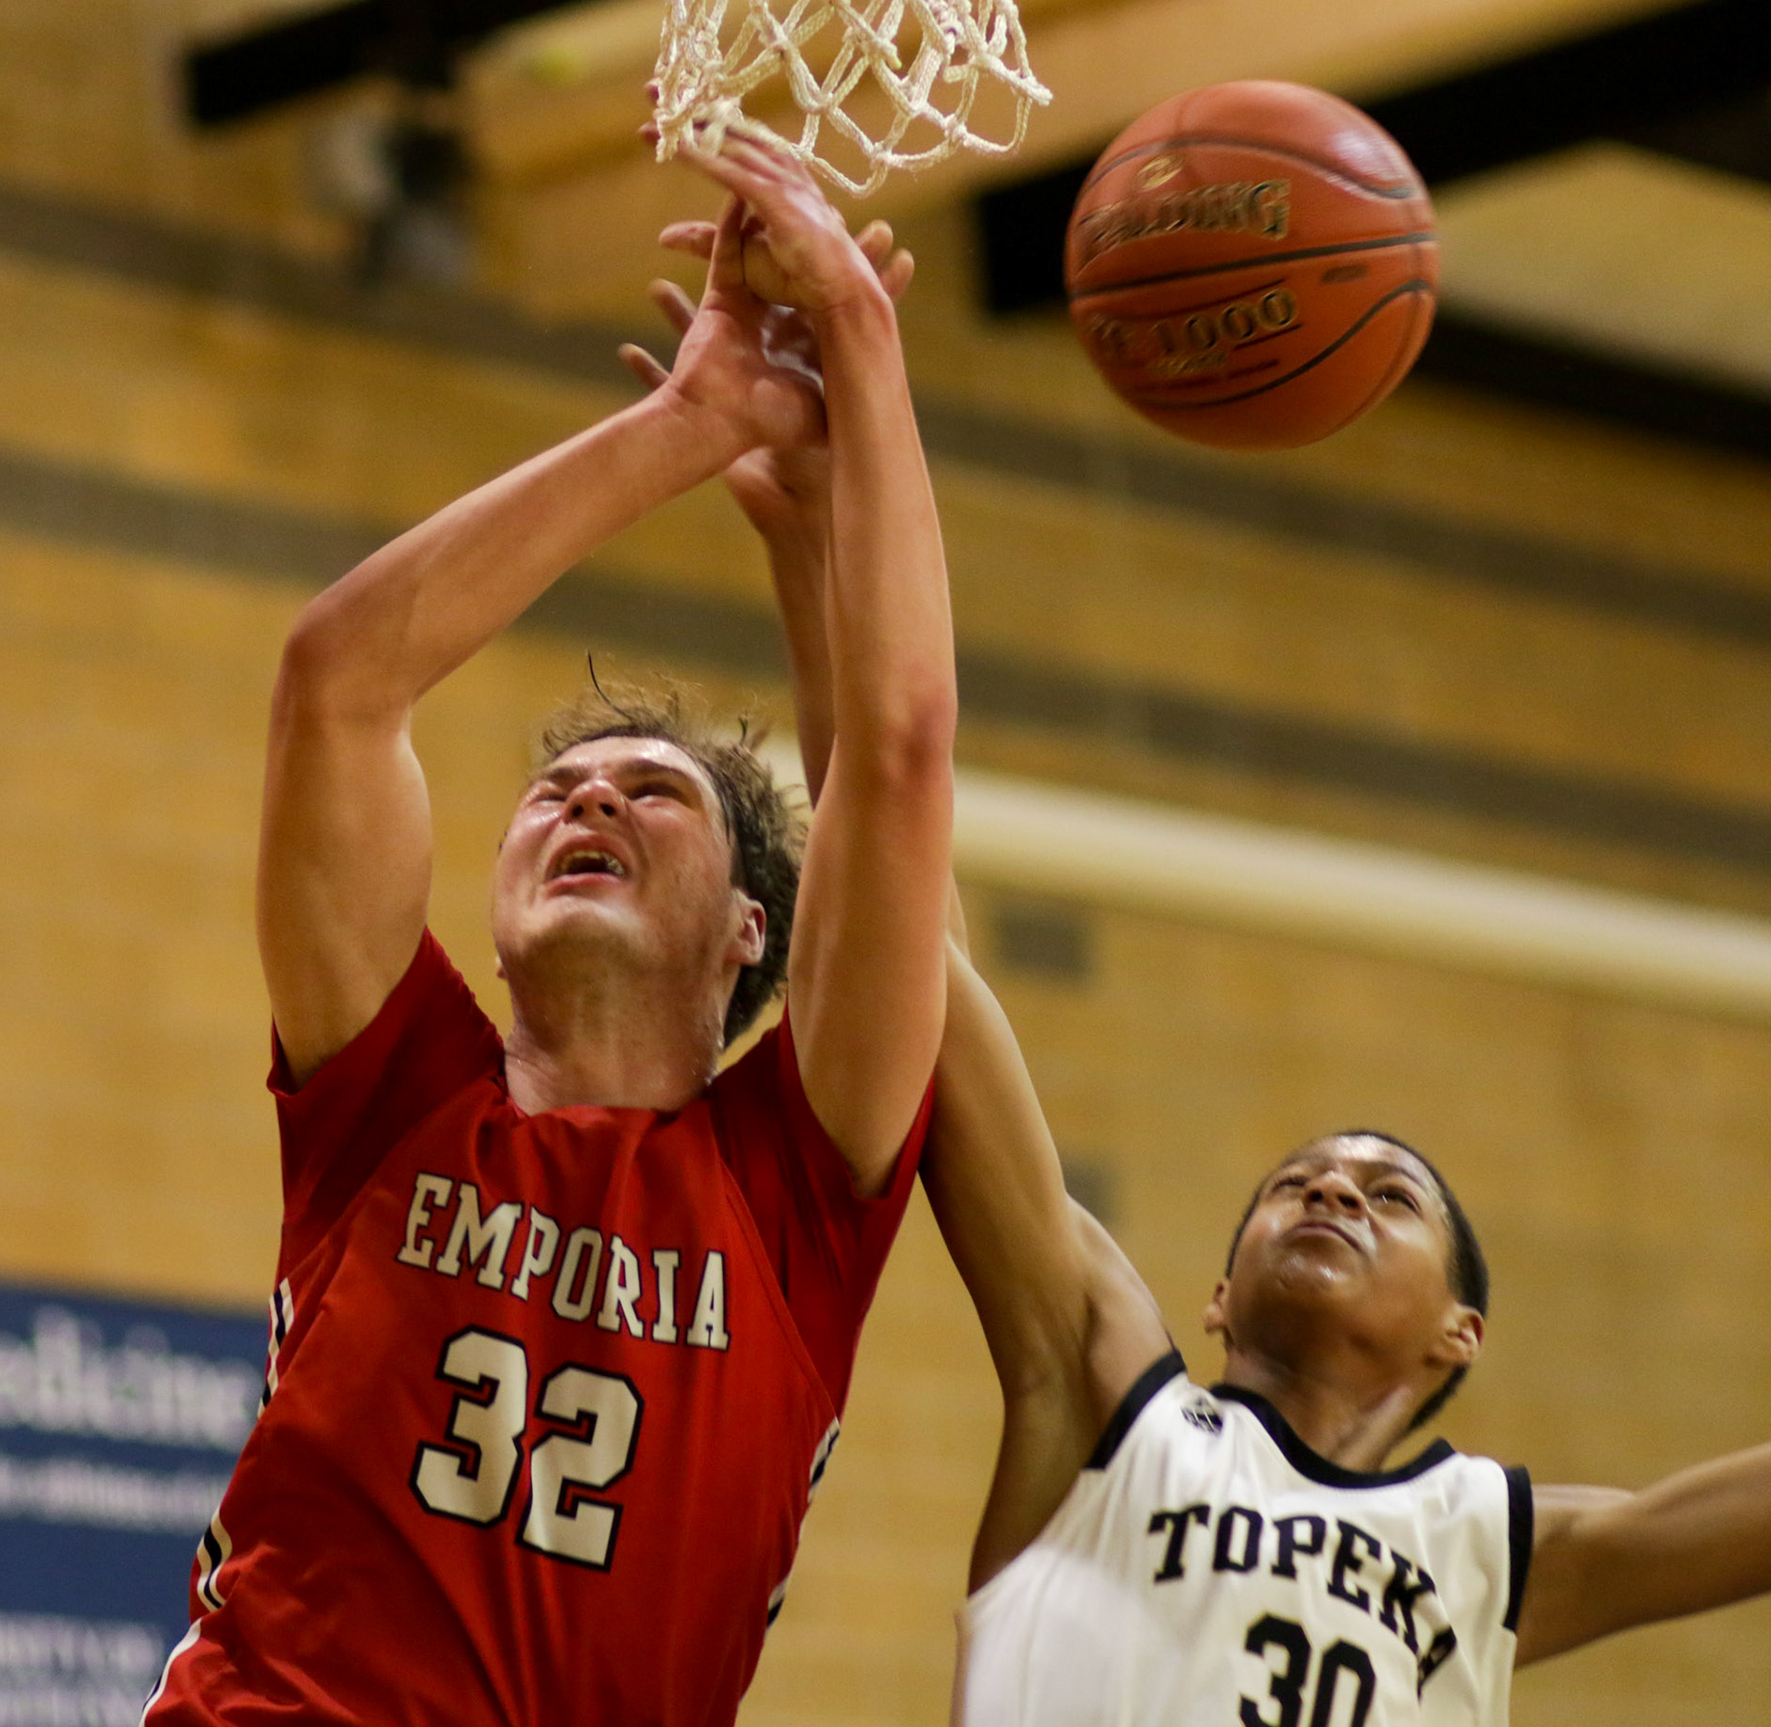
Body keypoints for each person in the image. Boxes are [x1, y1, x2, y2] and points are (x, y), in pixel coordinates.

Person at [653, 229, 1771, 1725]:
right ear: (1218, 1289)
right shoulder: (1103, 1389)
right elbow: (901, 937)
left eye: (1387, 1197)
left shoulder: (1495, 1551)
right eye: (1301, 1183)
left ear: (1462, 1335)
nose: (1328, 1195)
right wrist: (819, 546)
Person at [142, 129, 956, 1727]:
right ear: (497, 923)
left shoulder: (789, 1189)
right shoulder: (391, 1091)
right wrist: (688, 421)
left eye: (650, 793)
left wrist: (863, 351)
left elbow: (904, 754)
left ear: (746, 932)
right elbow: (339, 681)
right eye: (556, 791)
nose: (584, 802)